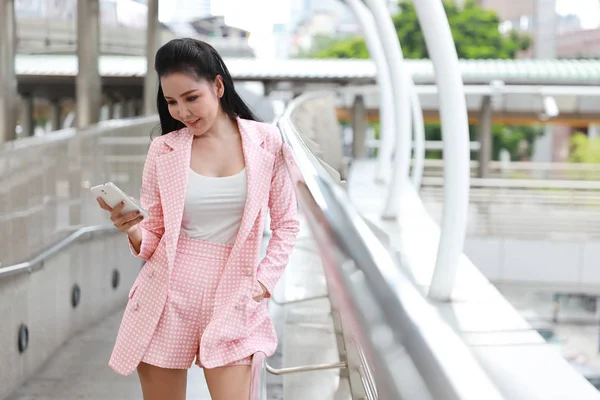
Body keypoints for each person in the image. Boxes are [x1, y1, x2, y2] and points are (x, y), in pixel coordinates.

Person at [96, 38, 299, 399]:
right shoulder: (164, 149)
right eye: (171, 102)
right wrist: (133, 230)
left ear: (218, 86)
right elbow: (155, 233)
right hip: (167, 296)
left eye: (191, 98)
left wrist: (262, 285)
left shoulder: (268, 143)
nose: (182, 112)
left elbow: (286, 224)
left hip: (235, 295)